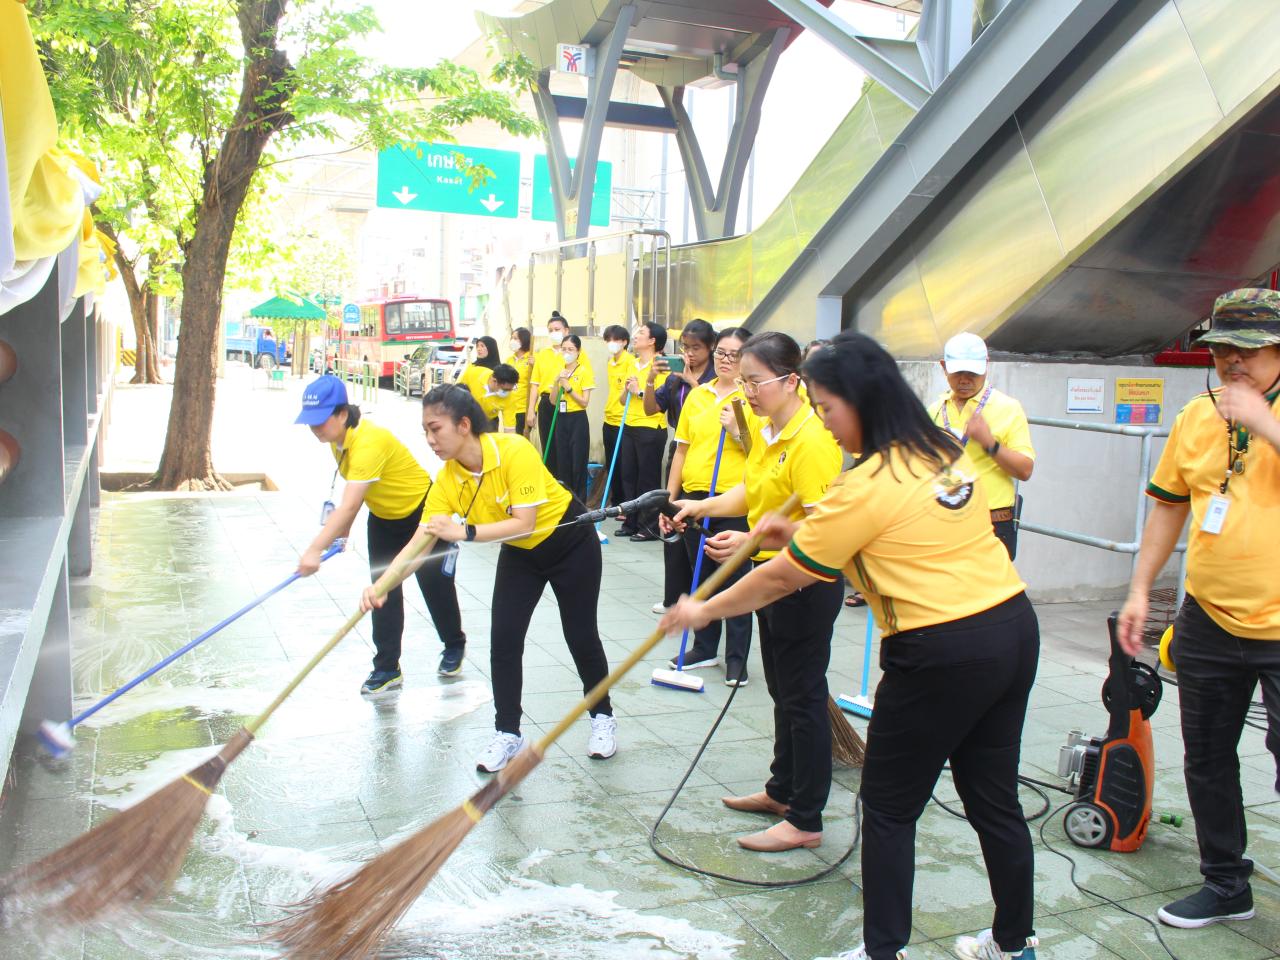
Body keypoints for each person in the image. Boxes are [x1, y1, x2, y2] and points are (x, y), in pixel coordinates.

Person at [663, 331, 1040, 960]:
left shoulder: (865, 482)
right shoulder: (941, 452)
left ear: (862, 401)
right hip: (1009, 629)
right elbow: (892, 531)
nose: (825, 422)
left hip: (938, 652)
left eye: (828, 407)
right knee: (994, 799)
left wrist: (702, 608)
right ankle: (1014, 944)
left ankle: (881, 951)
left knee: (889, 809)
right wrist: (795, 526)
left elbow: (785, 576)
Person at [1118, 288, 1280, 931]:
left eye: (1245, 349)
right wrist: (1139, 587)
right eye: (1218, 349)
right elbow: (1169, 505)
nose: (1229, 362)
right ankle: (1225, 883)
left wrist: (1265, 424)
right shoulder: (1197, 415)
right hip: (1209, 618)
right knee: (1207, 756)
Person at [363, 384, 618, 772]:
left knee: (581, 635)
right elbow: (419, 541)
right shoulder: (448, 478)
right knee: (504, 640)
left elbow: (525, 521)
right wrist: (382, 585)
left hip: (569, 543)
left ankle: (602, 716)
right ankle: (507, 732)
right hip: (521, 554)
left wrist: (464, 533)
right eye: (425, 432)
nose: (430, 440)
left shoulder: (515, 451)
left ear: (464, 424)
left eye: (436, 429)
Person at [671, 332, 843, 852]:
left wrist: (750, 539)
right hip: (773, 575)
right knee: (783, 692)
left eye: (754, 381)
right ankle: (781, 791)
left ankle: (807, 819)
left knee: (804, 697)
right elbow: (755, 490)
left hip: (803, 583)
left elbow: (822, 530)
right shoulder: (771, 430)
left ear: (792, 381)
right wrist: (705, 507)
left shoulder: (813, 440)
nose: (745, 390)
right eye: (743, 380)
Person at [294, 375, 467, 691]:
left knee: (434, 585)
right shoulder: (338, 441)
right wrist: (341, 534)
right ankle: (387, 667)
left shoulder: (369, 442)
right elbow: (355, 500)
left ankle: (454, 644)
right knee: (383, 589)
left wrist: (314, 550)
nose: (314, 428)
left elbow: (348, 505)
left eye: (320, 421)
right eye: (310, 422)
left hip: (422, 512)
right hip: (385, 519)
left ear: (342, 414)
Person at [658, 327, 755, 685]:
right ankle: (704, 647)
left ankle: (737, 658)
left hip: (733, 499)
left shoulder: (752, 400)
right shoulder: (698, 397)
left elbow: (757, 451)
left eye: (735, 354)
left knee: (734, 578)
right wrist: (670, 501)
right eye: (722, 353)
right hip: (694, 497)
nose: (726, 360)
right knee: (700, 573)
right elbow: (681, 449)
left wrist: (737, 428)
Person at [927, 332, 1035, 559]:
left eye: (973, 372)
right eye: (958, 372)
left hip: (992, 522)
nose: (965, 379)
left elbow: (1025, 470)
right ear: (944, 366)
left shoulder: (1008, 408)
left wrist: (989, 443)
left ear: (986, 366)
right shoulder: (936, 410)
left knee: (992, 593)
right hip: (945, 517)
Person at [644, 318, 716, 612]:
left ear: (710, 347)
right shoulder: (674, 378)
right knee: (671, 514)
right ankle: (674, 596)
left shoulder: (715, 377)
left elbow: (713, 412)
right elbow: (651, 408)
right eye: (685, 347)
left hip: (709, 452)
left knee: (695, 522)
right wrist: (650, 379)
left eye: (696, 348)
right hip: (680, 449)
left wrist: (693, 383)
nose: (690, 353)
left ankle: (700, 596)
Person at [618, 321, 670, 540]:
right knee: (628, 476)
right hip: (629, 425)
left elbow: (659, 400)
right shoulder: (633, 363)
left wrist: (639, 391)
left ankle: (648, 527)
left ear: (652, 341)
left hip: (651, 428)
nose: (636, 336)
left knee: (647, 480)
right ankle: (631, 522)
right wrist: (627, 390)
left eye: (641, 333)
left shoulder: (663, 366)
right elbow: (622, 400)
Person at [551, 334, 595, 499]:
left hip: (577, 419)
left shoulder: (584, 371)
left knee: (578, 462)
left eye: (571, 349)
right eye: (564, 349)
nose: (567, 352)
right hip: (561, 418)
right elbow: (553, 401)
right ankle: (565, 500)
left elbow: (584, 402)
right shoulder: (560, 370)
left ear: (578, 351)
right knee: (563, 461)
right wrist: (557, 383)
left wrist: (568, 388)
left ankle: (580, 501)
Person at [527, 312, 570, 471]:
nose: (554, 333)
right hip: (545, 404)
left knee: (563, 447)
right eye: (550, 330)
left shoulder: (574, 353)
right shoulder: (543, 355)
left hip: (565, 402)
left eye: (557, 329)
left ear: (566, 330)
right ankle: (551, 482)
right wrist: (531, 410)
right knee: (548, 446)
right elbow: (535, 385)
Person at [600, 324, 636, 510]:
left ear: (624, 342)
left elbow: (627, 391)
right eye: (609, 340)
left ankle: (624, 505)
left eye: (616, 340)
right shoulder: (610, 362)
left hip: (623, 419)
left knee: (623, 465)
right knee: (611, 463)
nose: (612, 344)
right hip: (609, 418)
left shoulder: (630, 362)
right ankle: (615, 502)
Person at [505, 326, 534, 435]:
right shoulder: (509, 360)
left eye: (516, 338)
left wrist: (534, 365)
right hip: (510, 408)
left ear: (524, 340)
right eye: (512, 338)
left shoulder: (531, 359)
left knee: (521, 440)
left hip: (523, 408)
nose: (512, 341)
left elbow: (536, 383)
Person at [459, 335, 500, 405]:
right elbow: (461, 385)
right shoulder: (472, 366)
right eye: (477, 346)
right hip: (471, 409)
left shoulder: (498, 370)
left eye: (482, 346)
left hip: (489, 412)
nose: (479, 349)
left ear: (491, 348)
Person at [480, 363, 520, 431]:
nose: (508, 392)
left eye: (511, 389)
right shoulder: (476, 374)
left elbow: (509, 428)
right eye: (505, 389)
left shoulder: (510, 397)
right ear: (495, 381)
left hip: (490, 420)